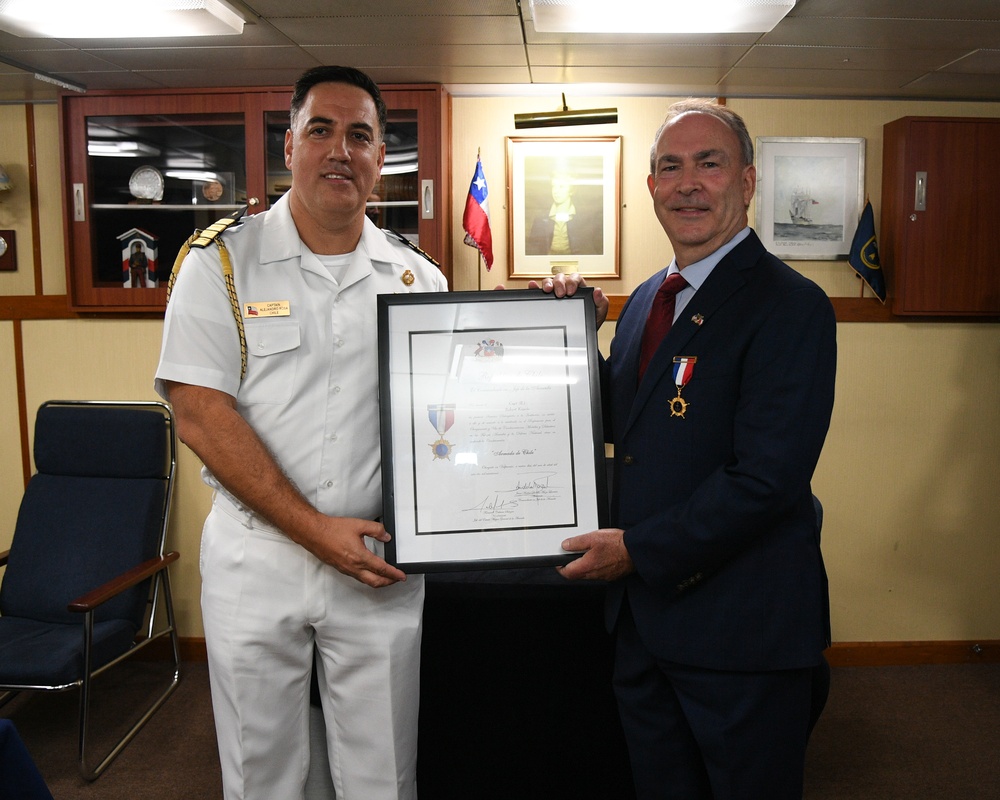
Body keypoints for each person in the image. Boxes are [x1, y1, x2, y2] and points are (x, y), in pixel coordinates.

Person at [154, 65, 447, 800]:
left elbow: (451, 418)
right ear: (289, 147)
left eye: (360, 135)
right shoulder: (220, 263)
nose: (339, 150)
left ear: (383, 158)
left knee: (384, 774)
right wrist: (314, 530)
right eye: (321, 130)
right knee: (264, 775)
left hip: (377, 563)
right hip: (258, 559)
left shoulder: (420, 281)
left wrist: (559, 331)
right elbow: (199, 414)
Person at [551, 99, 837, 799]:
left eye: (709, 164)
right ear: (649, 187)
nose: (688, 184)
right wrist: (566, 333)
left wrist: (638, 551)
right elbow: (625, 424)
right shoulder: (649, 298)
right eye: (670, 168)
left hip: (742, 632)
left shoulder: (789, 305)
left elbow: (765, 480)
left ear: (747, 181)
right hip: (645, 627)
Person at [526, 171, 602, 256]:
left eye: (561, 186)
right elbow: (533, 249)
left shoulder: (584, 218)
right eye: (554, 186)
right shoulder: (541, 218)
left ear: (571, 190)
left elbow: (589, 248)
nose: (556, 191)